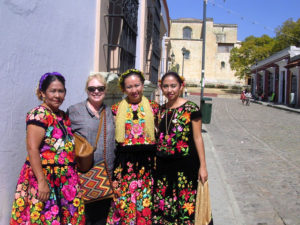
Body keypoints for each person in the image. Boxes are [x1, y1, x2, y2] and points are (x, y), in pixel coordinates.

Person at [10, 72, 85, 225]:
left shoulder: (62, 116)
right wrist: (42, 182)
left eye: (61, 91)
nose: (57, 95)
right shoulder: (39, 114)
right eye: (53, 91)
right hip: (45, 177)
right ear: (42, 93)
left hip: (66, 179)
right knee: (46, 219)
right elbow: (32, 148)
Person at [153, 71, 213, 224]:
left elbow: (198, 138)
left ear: (181, 86)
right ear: (161, 88)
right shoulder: (160, 111)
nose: (169, 90)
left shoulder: (191, 109)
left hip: (185, 166)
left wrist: (203, 166)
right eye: (165, 86)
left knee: (185, 204)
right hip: (163, 167)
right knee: (165, 204)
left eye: (173, 86)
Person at [106, 69, 159, 224]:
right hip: (125, 165)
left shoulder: (154, 108)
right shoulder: (115, 109)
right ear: (123, 89)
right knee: (124, 203)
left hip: (147, 165)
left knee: (145, 202)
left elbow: (161, 135)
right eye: (129, 87)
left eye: (137, 85)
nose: (134, 90)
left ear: (142, 85)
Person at [67, 73, 116, 225]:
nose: (96, 92)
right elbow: (66, 139)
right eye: (92, 89)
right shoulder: (74, 111)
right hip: (84, 175)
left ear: (105, 90)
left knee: (102, 219)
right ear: (87, 90)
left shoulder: (110, 112)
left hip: (106, 177)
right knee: (84, 218)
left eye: (100, 88)